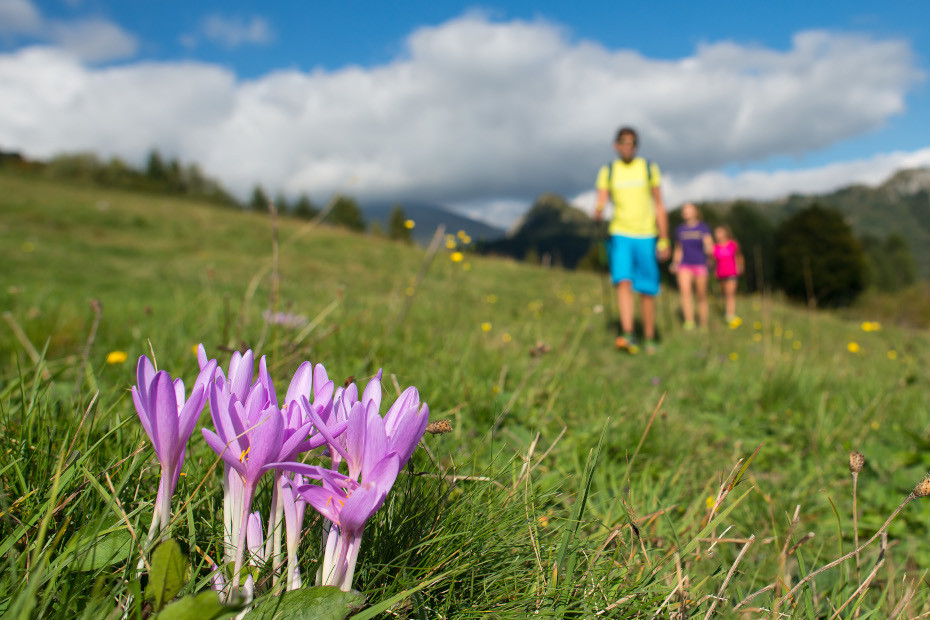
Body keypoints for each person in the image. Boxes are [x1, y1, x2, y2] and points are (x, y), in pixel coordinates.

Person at [595, 127, 670, 354]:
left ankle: (648, 337)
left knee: (647, 288)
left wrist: (664, 238)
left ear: (636, 145)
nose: (628, 145)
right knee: (623, 281)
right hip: (619, 233)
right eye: (623, 141)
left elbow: (659, 204)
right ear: (615, 145)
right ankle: (628, 334)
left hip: (646, 234)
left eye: (632, 142)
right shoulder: (608, 171)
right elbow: (602, 199)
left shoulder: (648, 168)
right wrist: (598, 209)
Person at [670, 203, 713, 330]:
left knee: (701, 295)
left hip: (700, 264)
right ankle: (689, 322)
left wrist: (710, 252)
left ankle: (703, 323)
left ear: (695, 212)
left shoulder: (703, 227)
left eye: (689, 210)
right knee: (685, 293)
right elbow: (679, 249)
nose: (686, 212)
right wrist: (675, 263)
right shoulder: (679, 229)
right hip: (684, 265)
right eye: (684, 210)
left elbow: (709, 243)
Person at [712, 225, 744, 324]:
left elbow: (739, 255)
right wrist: (714, 270)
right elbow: (714, 261)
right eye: (716, 233)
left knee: (730, 294)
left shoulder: (733, 244)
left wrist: (741, 266)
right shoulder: (715, 247)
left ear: (725, 233)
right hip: (720, 273)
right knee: (724, 294)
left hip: (732, 272)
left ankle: (730, 315)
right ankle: (727, 312)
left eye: (720, 232)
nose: (718, 235)